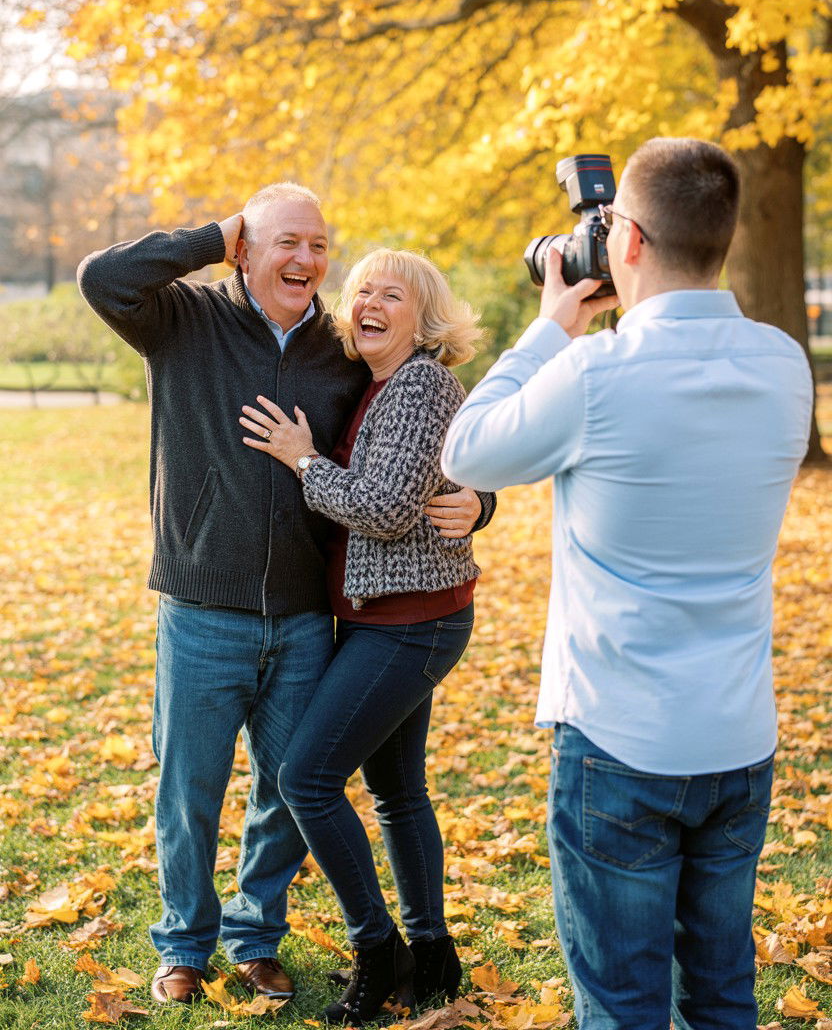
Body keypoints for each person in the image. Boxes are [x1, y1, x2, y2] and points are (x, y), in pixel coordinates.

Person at [76, 185, 491, 1005]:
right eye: (285, 242)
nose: (305, 260)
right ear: (246, 249)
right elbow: (100, 278)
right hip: (200, 607)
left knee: (286, 790)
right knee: (188, 792)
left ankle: (255, 936)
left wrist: (483, 502)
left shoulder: (341, 349)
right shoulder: (181, 320)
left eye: (319, 246)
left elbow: (413, 448)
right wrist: (212, 233)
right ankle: (184, 945)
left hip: (309, 617)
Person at [441, 138, 813, 1030]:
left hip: (619, 742)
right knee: (723, 994)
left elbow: (464, 450)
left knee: (620, 1005)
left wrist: (551, 322)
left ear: (628, 240)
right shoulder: (784, 364)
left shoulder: (595, 373)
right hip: (737, 738)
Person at [238, 248, 488, 1024]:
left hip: (413, 622)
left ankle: (378, 948)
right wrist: (480, 498)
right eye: (362, 293)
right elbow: (432, 483)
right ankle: (434, 955)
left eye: (393, 294)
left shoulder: (419, 384)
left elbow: (383, 507)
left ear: (425, 317)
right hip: (394, 614)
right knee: (396, 791)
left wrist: (301, 457)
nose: (370, 303)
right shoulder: (380, 384)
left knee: (308, 777)